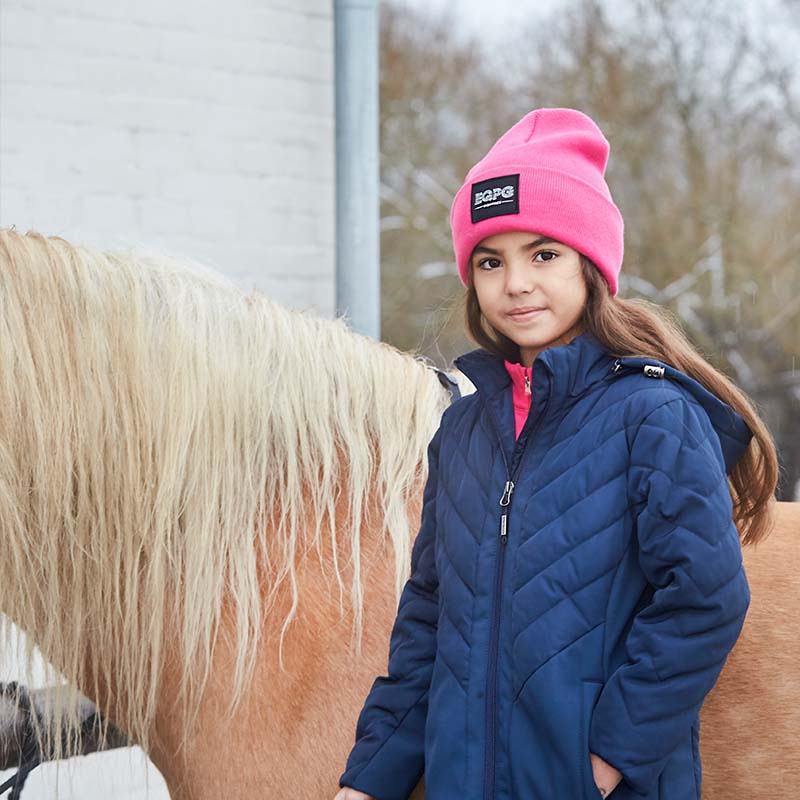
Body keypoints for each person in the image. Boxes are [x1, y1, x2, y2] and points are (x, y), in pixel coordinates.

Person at [334, 107, 778, 800]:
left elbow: (705, 601)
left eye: (544, 254)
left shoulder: (653, 417)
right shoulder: (463, 434)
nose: (515, 283)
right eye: (491, 260)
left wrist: (599, 764)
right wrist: (368, 782)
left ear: (590, 265)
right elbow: (428, 620)